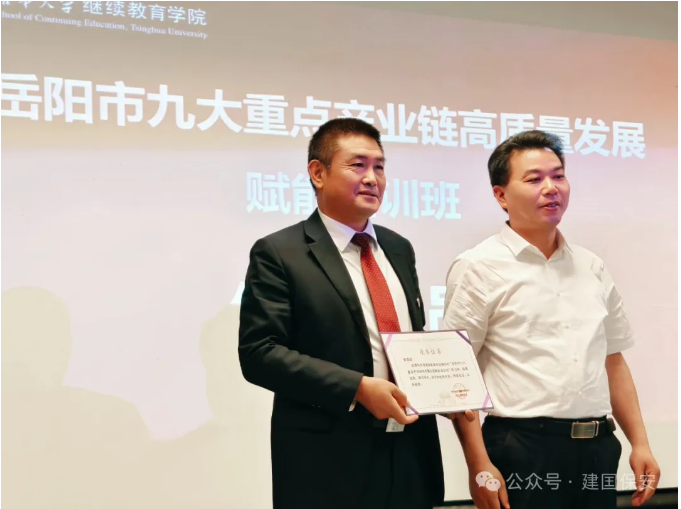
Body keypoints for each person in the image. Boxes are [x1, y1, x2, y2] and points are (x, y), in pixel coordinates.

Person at [239, 118, 456, 509]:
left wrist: (445, 385)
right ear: (318, 173)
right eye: (358, 165)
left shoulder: (398, 247)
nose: (372, 178)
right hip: (328, 460)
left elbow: (410, 339)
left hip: (410, 453)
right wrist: (357, 387)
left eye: (379, 167)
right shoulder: (280, 252)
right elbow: (260, 353)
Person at [443, 130, 660, 509]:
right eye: (534, 179)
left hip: (597, 448)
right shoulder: (478, 266)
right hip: (521, 448)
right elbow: (455, 371)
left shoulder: (591, 266)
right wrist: (478, 464)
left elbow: (612, 359)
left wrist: (639, 442)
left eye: (558, 176)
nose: (551, 188)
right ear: (501, 195)